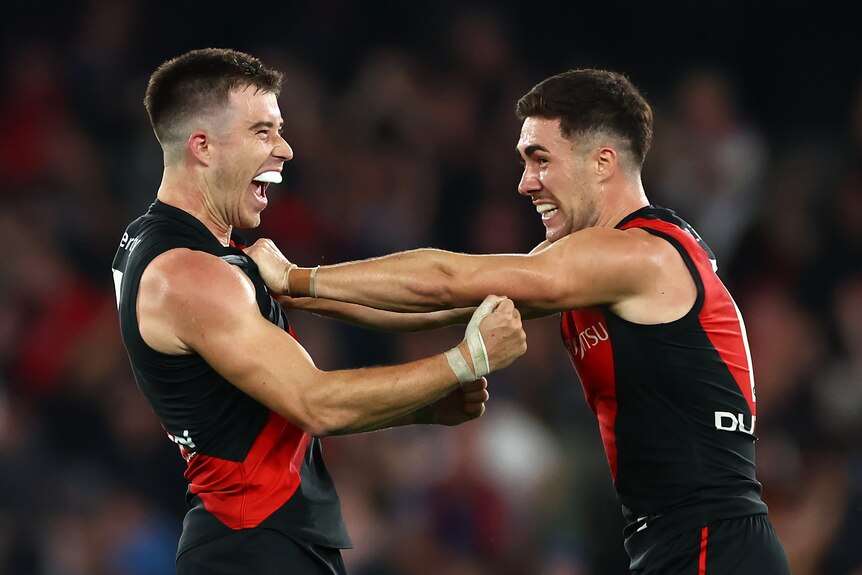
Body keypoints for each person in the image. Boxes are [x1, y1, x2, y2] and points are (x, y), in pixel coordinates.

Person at [247, 69, 792, 574]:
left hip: (712, 543)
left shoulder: (638, 256)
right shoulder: (590, 267)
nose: (525, 182)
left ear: (602, 162)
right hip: (678, 541)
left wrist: (299, 275)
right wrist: (299, 299)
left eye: (540, 159)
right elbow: (433, 308)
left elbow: (444, 278)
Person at [110, 48, 527, 575]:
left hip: (258, 540)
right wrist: (466, 360)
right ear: (203, 147)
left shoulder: (161, 244)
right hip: (253, 548)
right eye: (263, 132)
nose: (284, 149)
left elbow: (264, 414)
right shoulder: (190, 276)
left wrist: (422, 404)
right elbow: (316, 404)